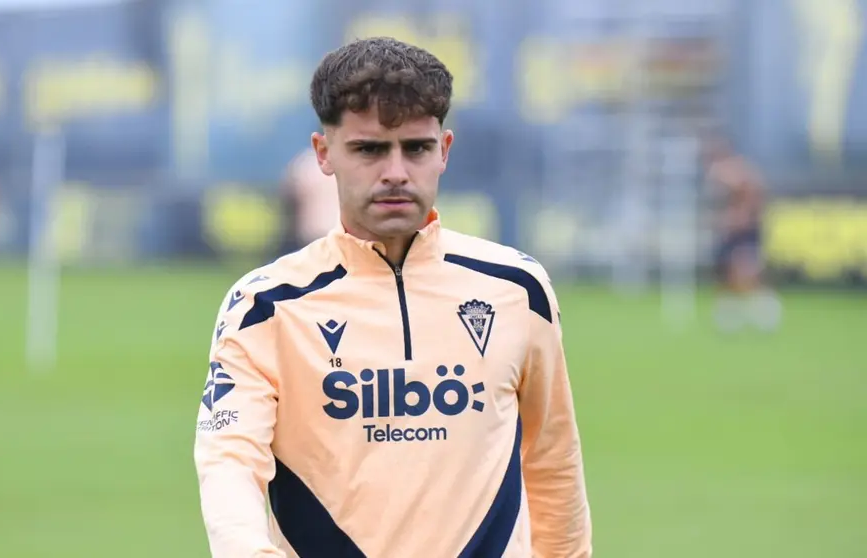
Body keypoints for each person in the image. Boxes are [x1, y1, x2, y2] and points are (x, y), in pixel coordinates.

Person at [194, 37, 592, 557]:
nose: (396, 172)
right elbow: (229, 463)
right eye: (370, 149)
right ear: (324, 153)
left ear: (444, 150)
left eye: (416, 148)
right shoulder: (265, 306)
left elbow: (552, 462)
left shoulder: (518, 288)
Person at [704, 135, 781, 332]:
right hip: (731, 230)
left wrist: (741, 218)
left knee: (746, 274)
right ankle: (729, 318)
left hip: (744, 230)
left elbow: (752, 193)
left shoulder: (735, 171)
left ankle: (766, 314)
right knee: (726, 275)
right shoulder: (719, 172)